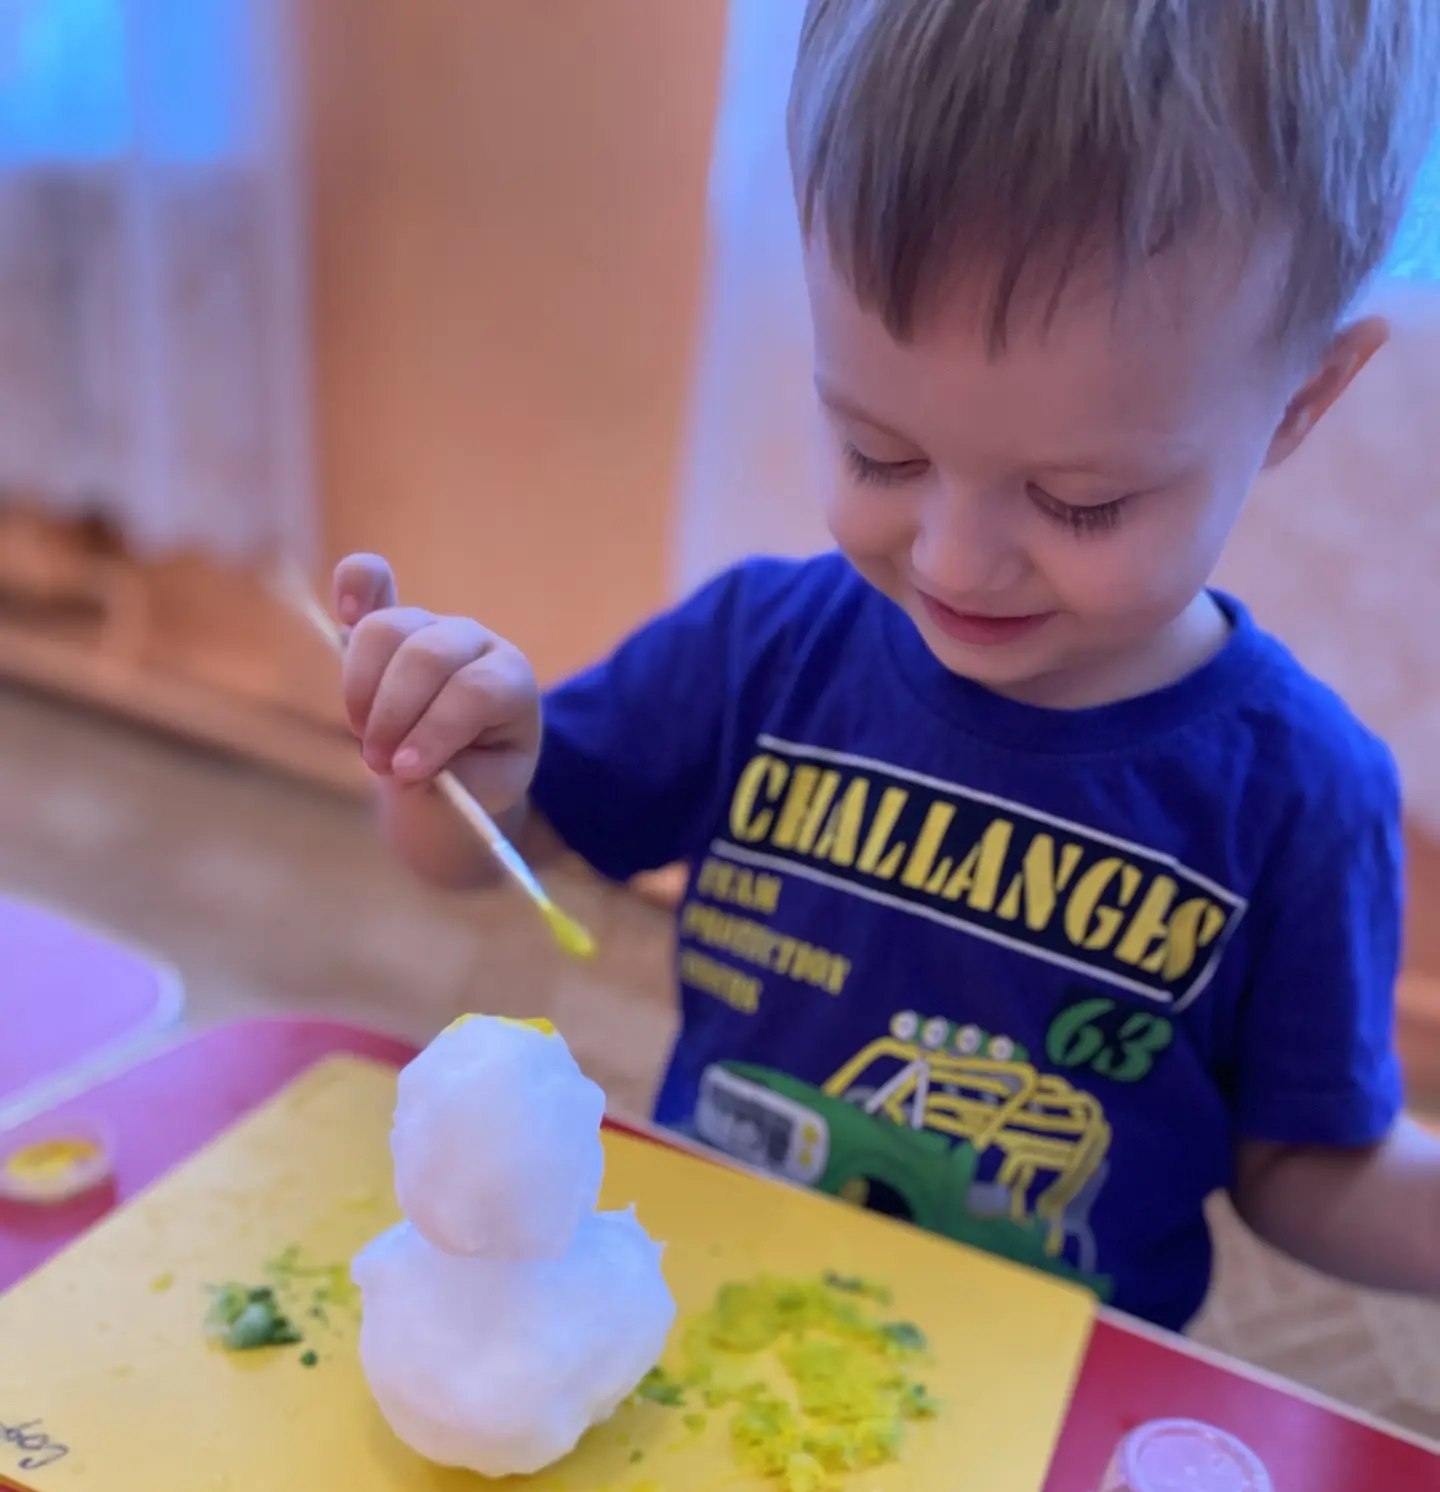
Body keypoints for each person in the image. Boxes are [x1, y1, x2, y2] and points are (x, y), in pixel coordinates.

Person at [332, 0, 1440, 1329]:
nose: (954, 563)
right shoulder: (759, 648)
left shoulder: (1305, 797)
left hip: (1041, 1392)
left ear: (1303, 400)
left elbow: (1306, 1171)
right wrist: (451, 766)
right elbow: (474, 859)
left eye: (1081, 502)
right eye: (879, 452)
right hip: (710, 1315)